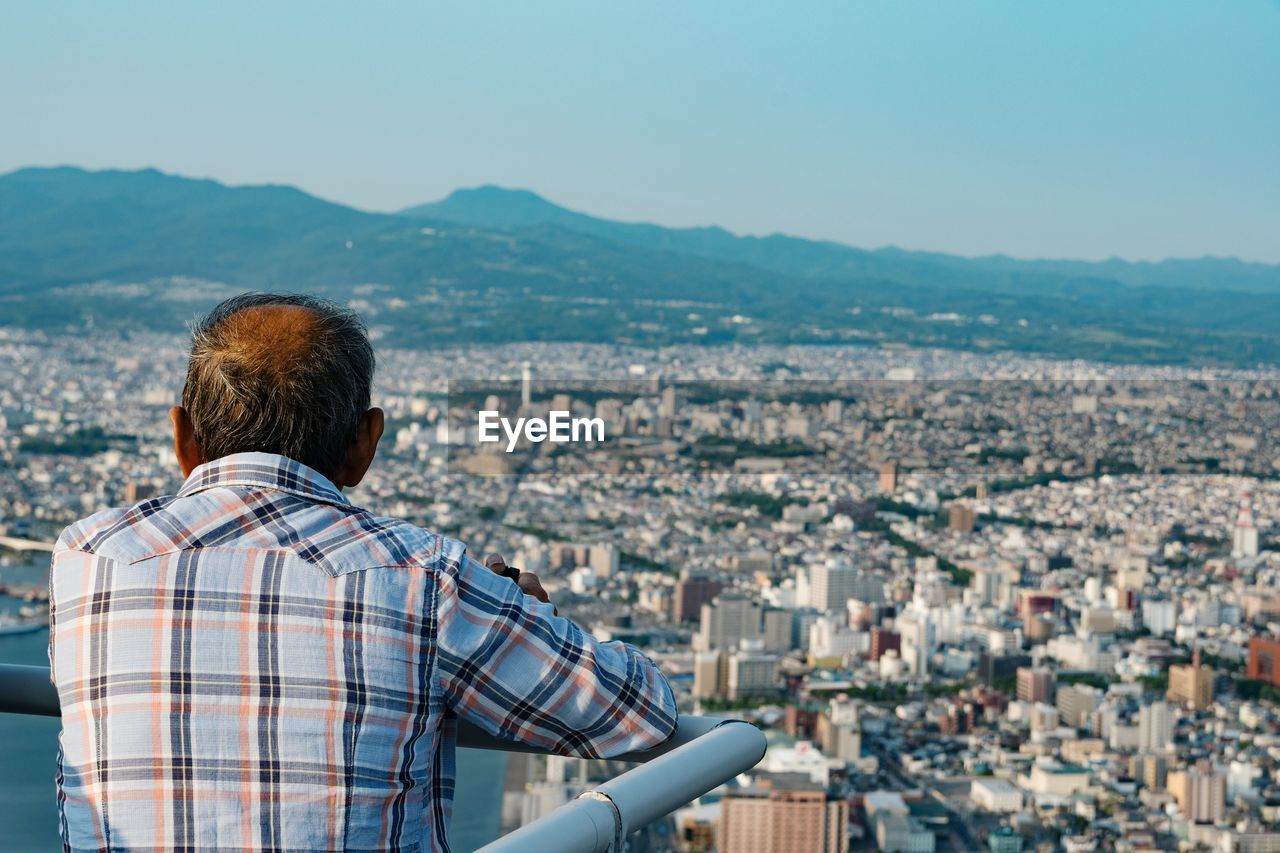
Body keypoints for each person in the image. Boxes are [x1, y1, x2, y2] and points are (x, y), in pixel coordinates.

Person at [48, 293, 677, 852]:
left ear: (183, 437)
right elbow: (637, 710)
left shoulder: (85, 557)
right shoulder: (423, 578)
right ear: (365, 443)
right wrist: (521, 618)